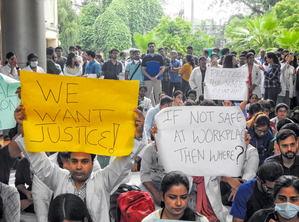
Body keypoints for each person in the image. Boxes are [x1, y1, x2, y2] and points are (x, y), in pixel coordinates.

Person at [13, 105, 146, 222]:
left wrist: (136, 136)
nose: (78, 166)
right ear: (69, 162)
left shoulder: (103, 180)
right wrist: (25, 130)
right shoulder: (59, 178)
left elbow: (123, 163)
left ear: (93, 163)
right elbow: (38, 161)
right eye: (74, 161)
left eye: (84, 161)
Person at [142, 171, 208, 222]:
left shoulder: (200, 220)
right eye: (172, 197)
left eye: (183, 197)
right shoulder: (149, 220)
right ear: (162, 196)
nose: (179, 203)